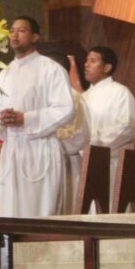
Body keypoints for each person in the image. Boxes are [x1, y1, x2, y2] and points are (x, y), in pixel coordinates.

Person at [0, 17, 74, 217]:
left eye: (22, 30)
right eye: (12, 30)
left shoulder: (50, 69)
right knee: (10, 212)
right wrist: (2, 120)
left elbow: (65, 108)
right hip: (12, 150)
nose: (14, 35)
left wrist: (25, 118)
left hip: (40, 149)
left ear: (35, 37)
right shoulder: (4, 74)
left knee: (40, 213)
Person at [81, 46, 135, 191]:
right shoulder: (83, 97)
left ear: (107, 67)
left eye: (93, 61)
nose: (86, 65)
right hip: (85, 161)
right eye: (87, 60)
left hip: (111, 162)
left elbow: (125, 127)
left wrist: (94, 143)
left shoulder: (120, 92)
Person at [46, 52, 90, 215]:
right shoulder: (41, 95)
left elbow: (80, 136)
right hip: (43, 159)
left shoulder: (74, 97)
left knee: (67, 210)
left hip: (67, 162)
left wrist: (50, 141)